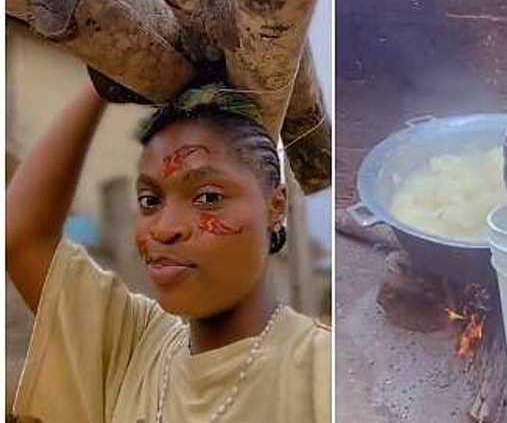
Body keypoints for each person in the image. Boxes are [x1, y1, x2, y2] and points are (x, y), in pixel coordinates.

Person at [7, 82, 330, 422]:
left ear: (276, 206)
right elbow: (22, 239)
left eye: (208, 197)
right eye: (150, 201)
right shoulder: (134, 343)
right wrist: (101, 83)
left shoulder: (320, 370)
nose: (163, 228)